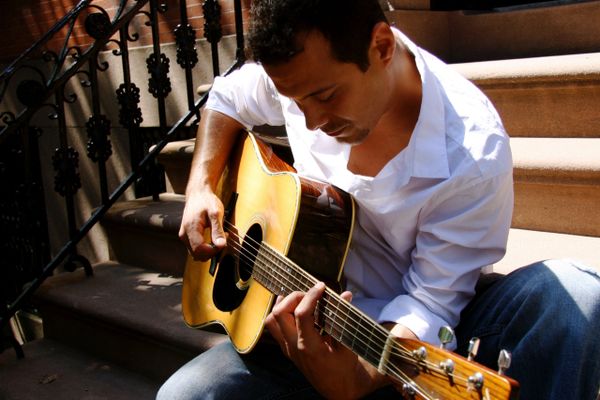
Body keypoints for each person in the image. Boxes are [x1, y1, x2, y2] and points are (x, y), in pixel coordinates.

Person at [158, 0, 600, 399]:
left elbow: (430, 303)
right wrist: (200, 186)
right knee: (183, 395)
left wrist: (356, 380)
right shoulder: (306, 72)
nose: (310, 121)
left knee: (575, 296)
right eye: (294, 100)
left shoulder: (471, 151)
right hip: (302, 322)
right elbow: (227, 96)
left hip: (409, 339)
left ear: (382, 47)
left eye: (325, 96)